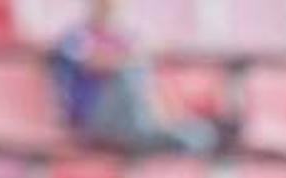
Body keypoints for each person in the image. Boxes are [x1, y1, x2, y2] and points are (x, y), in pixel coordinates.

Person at [51, 0, 221, 155]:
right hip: (94, 117)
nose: (110, 7)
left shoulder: (127, 38)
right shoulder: (76, 36)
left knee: (200, 132)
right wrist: (132, 58)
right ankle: (155, 134)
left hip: (132, 120)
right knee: (129, 73)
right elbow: (95, 63)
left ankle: (164, 134)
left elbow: (150, 79)